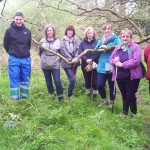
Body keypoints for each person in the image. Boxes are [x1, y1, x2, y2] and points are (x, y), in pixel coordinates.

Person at [110, 28, 143, 115]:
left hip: (132, 77)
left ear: (130, 37)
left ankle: (133, 115)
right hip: (120, 76)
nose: (125, 38)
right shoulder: (118, 48)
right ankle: (125, 113)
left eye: (127, 36)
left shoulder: (136, 47)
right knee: (124, 95)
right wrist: (114, 61)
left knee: (130, 95)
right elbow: (111, 59)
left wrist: (122, 65)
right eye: (123, 36)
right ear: (121, 37)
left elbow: (136, 61)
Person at [3, 12, 31, 100]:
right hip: (13, 58)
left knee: (25, 79)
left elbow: (28, 44)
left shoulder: (28, 31)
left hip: (26, 59)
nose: (18, 21)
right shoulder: (9, 30)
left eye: (20, 19)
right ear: (14, 19)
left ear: (23, 19)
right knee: (14, 79)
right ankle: (15, 101)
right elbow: (5, 44)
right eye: (17, 19)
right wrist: (11, 52)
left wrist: (24, 53)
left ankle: (24, 99)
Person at [95, 23, 121, 108]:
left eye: (108, 29)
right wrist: (101, 46)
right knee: (99, 84)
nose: (107, 31)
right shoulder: (101, 39)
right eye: (105, 29)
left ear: (111, 30)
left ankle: (111, 101)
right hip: (101, 65)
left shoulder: (116, 39)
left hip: (110, 64)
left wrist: (108, 47)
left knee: (111, 85)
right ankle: (104, 99)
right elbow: (96, 50)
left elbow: (121, 49)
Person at [38, 24, 63, 101]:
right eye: (48, 31)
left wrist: (57, 61)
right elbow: (39, 53)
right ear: (46, 32)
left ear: (53, 31)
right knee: (48, 82)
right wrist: (44, 60)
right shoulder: (42, 41)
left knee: (57, 81)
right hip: (45, 65)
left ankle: (60, 98)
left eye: (51, 30)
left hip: (55, 65)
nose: (49, 32)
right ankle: (52, 97)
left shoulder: (58, 41)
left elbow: (61, 53)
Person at [79, 27, 98, 99]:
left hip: (94, 64)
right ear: (86, 34)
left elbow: (97, 53)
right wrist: (86, 59)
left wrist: (92, 59)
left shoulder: (96, 42)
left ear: (93, 34)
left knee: (95, 80)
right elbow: (80, 52)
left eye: (91, 33)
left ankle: (95, 95)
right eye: (88, 33)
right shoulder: (83, 42)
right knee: (87, 79)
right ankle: (88, 94)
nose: (90, 34)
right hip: (84, 63)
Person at [60, 25, 79, 97]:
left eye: (71, 30)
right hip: (66, 63)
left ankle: (69, 93)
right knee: (72, 79)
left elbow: (78, 49)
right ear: (66, 31)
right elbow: (63, 50)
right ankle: (68, 94)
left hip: (75, 62)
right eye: (69, 30)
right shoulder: (62, 40)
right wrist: (71, 59)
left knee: (73, 79)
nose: (70, 32)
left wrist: (76, 58)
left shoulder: (75, 40)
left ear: (73, 32)